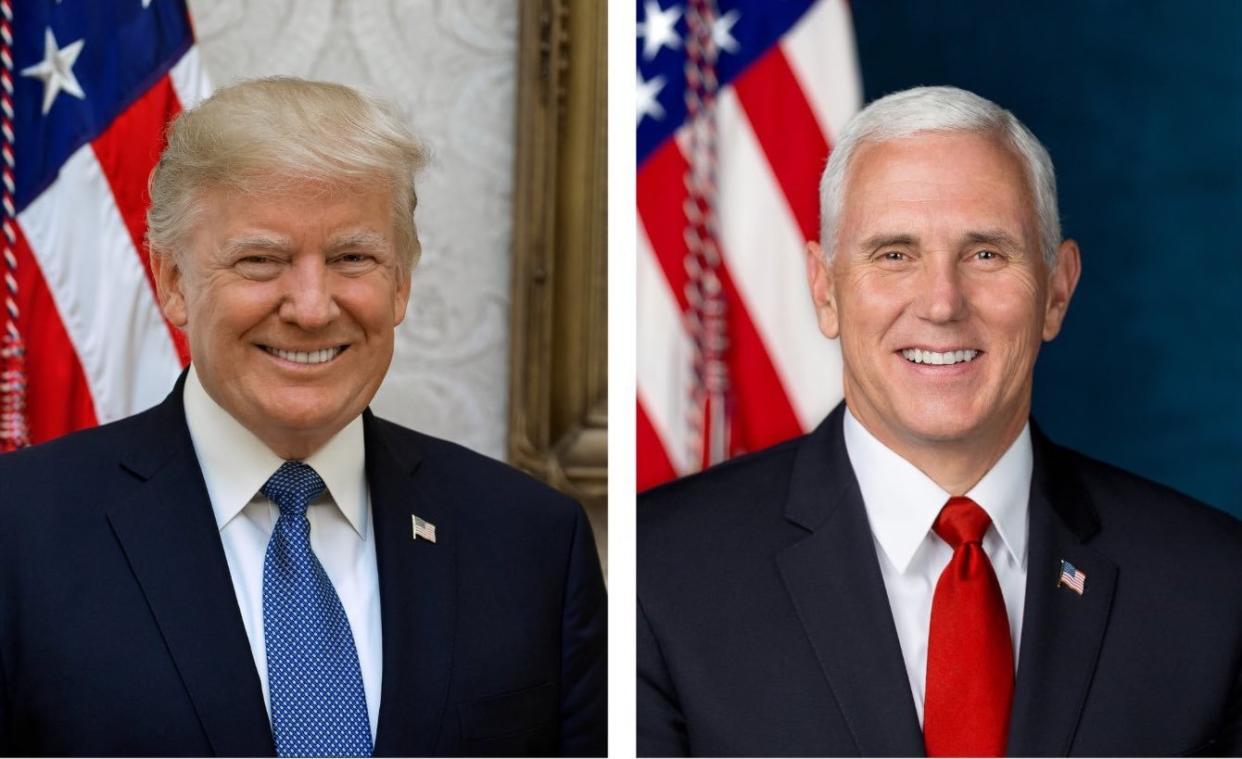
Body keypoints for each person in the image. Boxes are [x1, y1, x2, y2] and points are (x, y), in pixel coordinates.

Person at [0, 77, 606, 757]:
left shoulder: (532, 542)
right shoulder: (19, 531)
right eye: (261, 261)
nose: (313, 306)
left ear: (401, 280)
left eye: (353, 258)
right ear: (172, 281)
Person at [637, 86, 1242, 757]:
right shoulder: (661, 576)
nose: (942, 302)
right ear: (825, 289)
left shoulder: (1215, 587)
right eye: (894, 253)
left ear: (1057, 290)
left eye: (986, 253)